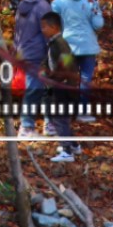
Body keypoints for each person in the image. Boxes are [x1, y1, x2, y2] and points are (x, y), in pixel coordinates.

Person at [51, 0, 105, 122]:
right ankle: (82, 112)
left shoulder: (59, 1)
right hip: (87, 46)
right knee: (85, 79)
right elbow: (98, 24)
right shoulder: (91, 1)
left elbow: (53, 23)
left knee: (66, 77)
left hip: (67, 45)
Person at [13, 0, 58, 135]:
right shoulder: (44, 6)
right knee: (35, 88)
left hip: (22, 50)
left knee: (39, 87)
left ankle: (48, 124)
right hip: (37, 52)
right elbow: (48, 31)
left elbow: (17, 29)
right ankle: (26, 126)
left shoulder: (23, 4)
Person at [37, 11, 81, 161]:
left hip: (64, 86)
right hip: (62, 84)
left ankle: (66, 151)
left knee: (59, 118)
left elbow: (66, 64)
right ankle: (74, 145)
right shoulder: (54, 43)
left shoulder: (60, 43)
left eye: (44, 27)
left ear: (54, 27)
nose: (42, 30)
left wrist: (53, 76)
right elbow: (48, 61)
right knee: (63, 117)